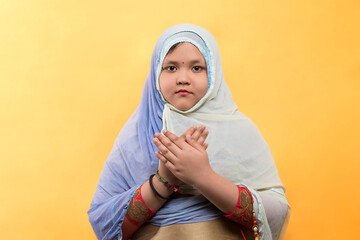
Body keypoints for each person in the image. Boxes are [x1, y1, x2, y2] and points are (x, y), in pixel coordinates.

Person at [88, 24, 290, 240]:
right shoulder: (136, 135)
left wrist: (203, 177)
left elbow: (276, 212)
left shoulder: (241, 130)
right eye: (171, 68)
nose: (183, 78)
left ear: (213, 73)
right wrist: (164, 181)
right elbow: (105, 224)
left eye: (196, 68)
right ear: (156, 72)